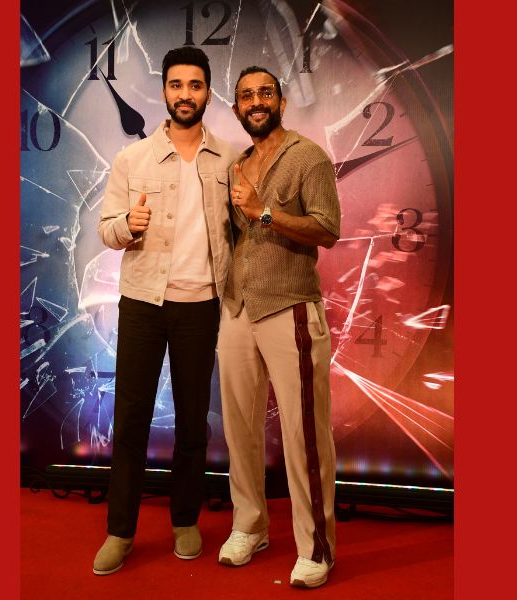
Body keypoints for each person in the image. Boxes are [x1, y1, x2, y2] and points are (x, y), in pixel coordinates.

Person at [93, 46, 238, 575]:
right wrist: (127, 226)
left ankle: (185, 520)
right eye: (176, 85)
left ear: (207, 93)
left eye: (195, 85)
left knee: (193, 423)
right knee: (130, 419)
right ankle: (120, 531)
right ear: (164, 92)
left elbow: (240, 231)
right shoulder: (132, 160)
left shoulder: (230, 160)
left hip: (201, 306)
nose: (185, 94)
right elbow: (106, 230)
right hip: (143, 305)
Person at [216, 66, 341, 588]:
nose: (256, 102)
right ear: (237, 109)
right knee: (239, 429)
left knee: (303, 433)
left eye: (265, 93)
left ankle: (315, 548)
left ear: (282, 102)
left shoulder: (308, 157)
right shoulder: (236, 165)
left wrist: (265, 212)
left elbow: (328, 229)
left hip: (289, 307)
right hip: (237, 309)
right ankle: (250, 525)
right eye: (247, 96)